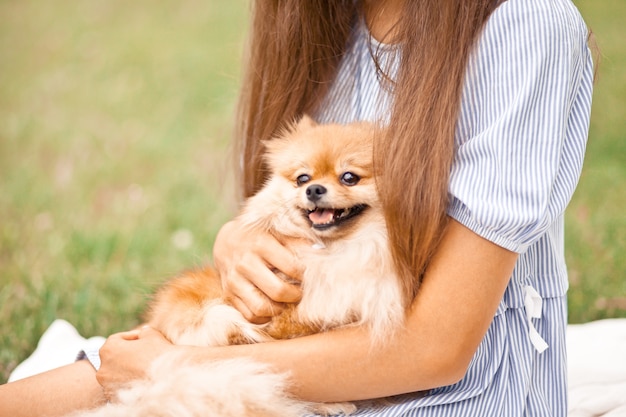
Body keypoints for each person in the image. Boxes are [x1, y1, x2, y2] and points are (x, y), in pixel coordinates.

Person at [0, 0, 595, 416]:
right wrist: (237, 241)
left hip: (450, 396)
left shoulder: (524, 25)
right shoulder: (324, 19)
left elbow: (436, 348)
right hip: (286, 356)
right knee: (98, 372)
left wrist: (176, 367)